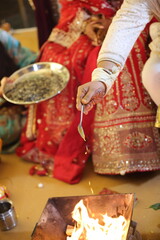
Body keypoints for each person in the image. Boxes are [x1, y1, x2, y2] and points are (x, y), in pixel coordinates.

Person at [15, 0, 123, 183]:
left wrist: (105, 21)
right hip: (76, 18)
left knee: (81, 58)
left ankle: (84, 143)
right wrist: (84, 23)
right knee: (51, 54)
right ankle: (56, 139)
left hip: (115, 18)